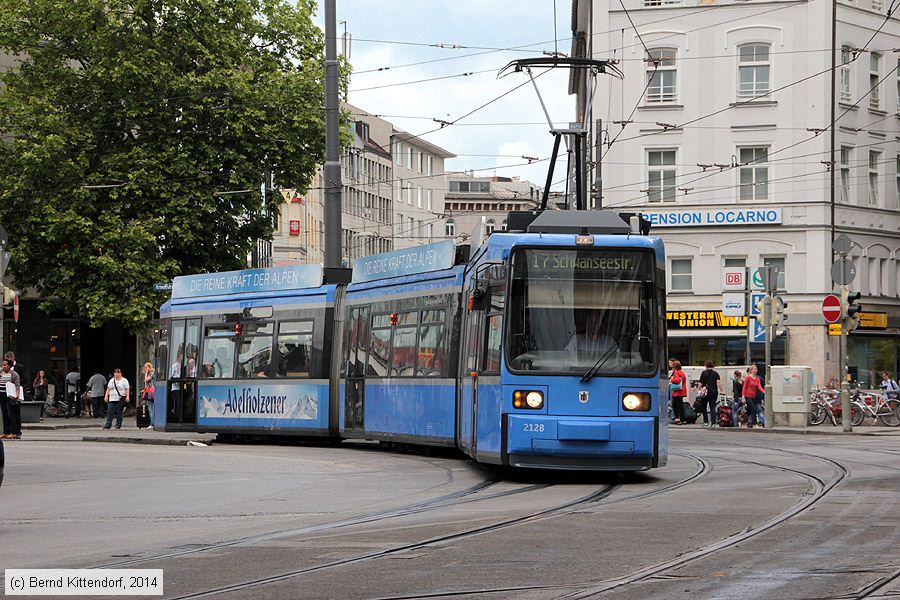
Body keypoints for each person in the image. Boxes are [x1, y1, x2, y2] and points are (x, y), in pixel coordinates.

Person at [3, 352, 25, 438]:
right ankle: (7, 431)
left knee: (15, 413)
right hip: (4, 394)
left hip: (14, 393)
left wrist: (14, 384)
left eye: (9, 359)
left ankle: (17, 432)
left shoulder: (20, 368)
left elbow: (24, 379)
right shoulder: (2, 371)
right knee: (6, 413)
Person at [698, 361, 723, 429]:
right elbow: (718, 383)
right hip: (713, 392)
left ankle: (706, 422)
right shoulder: (716, 374)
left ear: (706, 366)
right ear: (713, 366)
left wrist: (699, 390)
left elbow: (700, 383)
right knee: (712, 408)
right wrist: (722, 391)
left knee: (704, 407)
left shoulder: (703, 373)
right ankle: (713, 423)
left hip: (705, 392)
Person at [670, 358, 687, 425]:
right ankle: (682, 419)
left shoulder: (676, 372)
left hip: (678, 391)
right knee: (680, 406)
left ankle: (679, 419)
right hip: (682, 390)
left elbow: (677, 380)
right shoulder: (681, 372)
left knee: (675, 405)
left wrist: (672, 380)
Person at [140, 362, 156, 430]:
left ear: (149, 367)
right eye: (145, 368)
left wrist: (146, 373)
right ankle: (152, 423)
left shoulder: (151, 373)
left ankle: (152, 424)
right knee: (150, 408)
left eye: (146, 367)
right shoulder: (151, 373)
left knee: (151, 408)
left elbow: (146, 380)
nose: (145, 369)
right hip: (149, 391)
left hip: (151, 392)